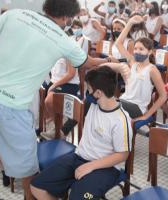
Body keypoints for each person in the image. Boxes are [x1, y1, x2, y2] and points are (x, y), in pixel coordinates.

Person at [0, 0, 127, 199]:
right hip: (10, 105)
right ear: (67, 17)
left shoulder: (15, 14)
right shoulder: (62, 38)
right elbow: (88, 63)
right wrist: (108, 61)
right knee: (26, 163)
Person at [31, 66, 133, 200]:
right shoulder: (91, 104)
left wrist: (90, 166)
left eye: (88, 89)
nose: (86, 93)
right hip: (79, 157)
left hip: (106, 167)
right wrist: (62, 132)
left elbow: (122, 155)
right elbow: (73, 120)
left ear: (98, 93)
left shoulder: (121, 120)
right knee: (37, 186)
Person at [110, 15, 167, 120]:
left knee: (109, 109)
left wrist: (146, 116)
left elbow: (163, 96)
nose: (137, 51)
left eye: (141, 49)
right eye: (135, 49)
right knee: (99, 102)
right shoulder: (133, 62)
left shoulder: (152, 70)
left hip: (137, 107)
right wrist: (130, 23)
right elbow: (118, 43)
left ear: (149, 52)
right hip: (124, 101)